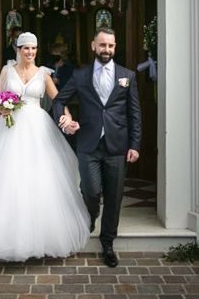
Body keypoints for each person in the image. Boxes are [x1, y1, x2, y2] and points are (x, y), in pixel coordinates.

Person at [0, 32, 90, 261]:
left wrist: (68, 118)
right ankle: (7, 238)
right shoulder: (7, 70)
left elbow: (58, 100)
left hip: (37, 127)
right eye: (26, 49)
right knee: (9, 178)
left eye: (33, 49)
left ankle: (42, 236)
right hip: (9, 128)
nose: (30, 53)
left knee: (39, 176)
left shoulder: (43, 73)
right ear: (19, 50)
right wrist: (2, 108)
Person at [52, 28, 142, 268]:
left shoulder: (127, 76)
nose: (107, 50)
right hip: (88, 144)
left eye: (111, 46)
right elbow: (59, 100)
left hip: (117, 146)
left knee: (113, 197)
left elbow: (134, 113)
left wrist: (135, 144)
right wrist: (64, 120)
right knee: (91, 191)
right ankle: (90, 217)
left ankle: (108, 243)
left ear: (115, 46)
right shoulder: (81, 76)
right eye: (103, 45)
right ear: (94, 46)